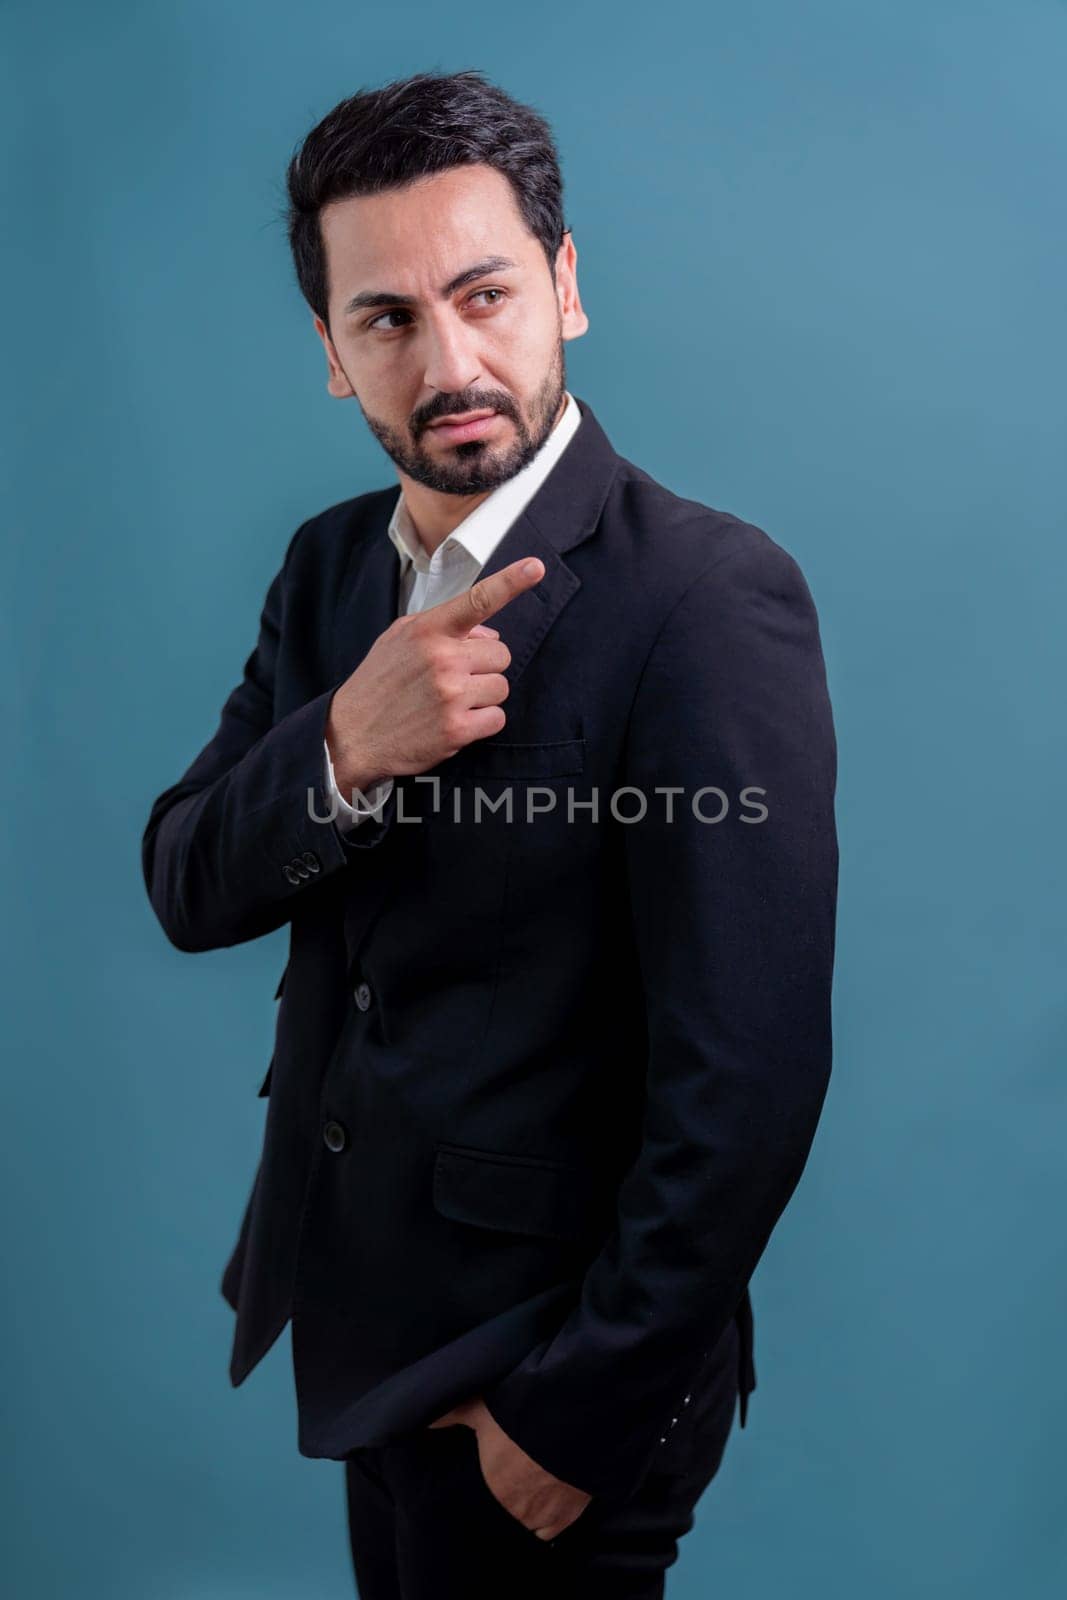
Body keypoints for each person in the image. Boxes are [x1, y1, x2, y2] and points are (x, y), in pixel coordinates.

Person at [141, 67, 839, 1599]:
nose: (450, 359)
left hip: (550, 1377)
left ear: (566, 286)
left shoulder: (707, 600)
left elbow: (754, 1072)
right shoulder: (329, 570)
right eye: (388, 318)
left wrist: (574, 1416)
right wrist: (340, 745)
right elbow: (187, 876)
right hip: (364, 1329)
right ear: (332, 352)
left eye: (485, 293)